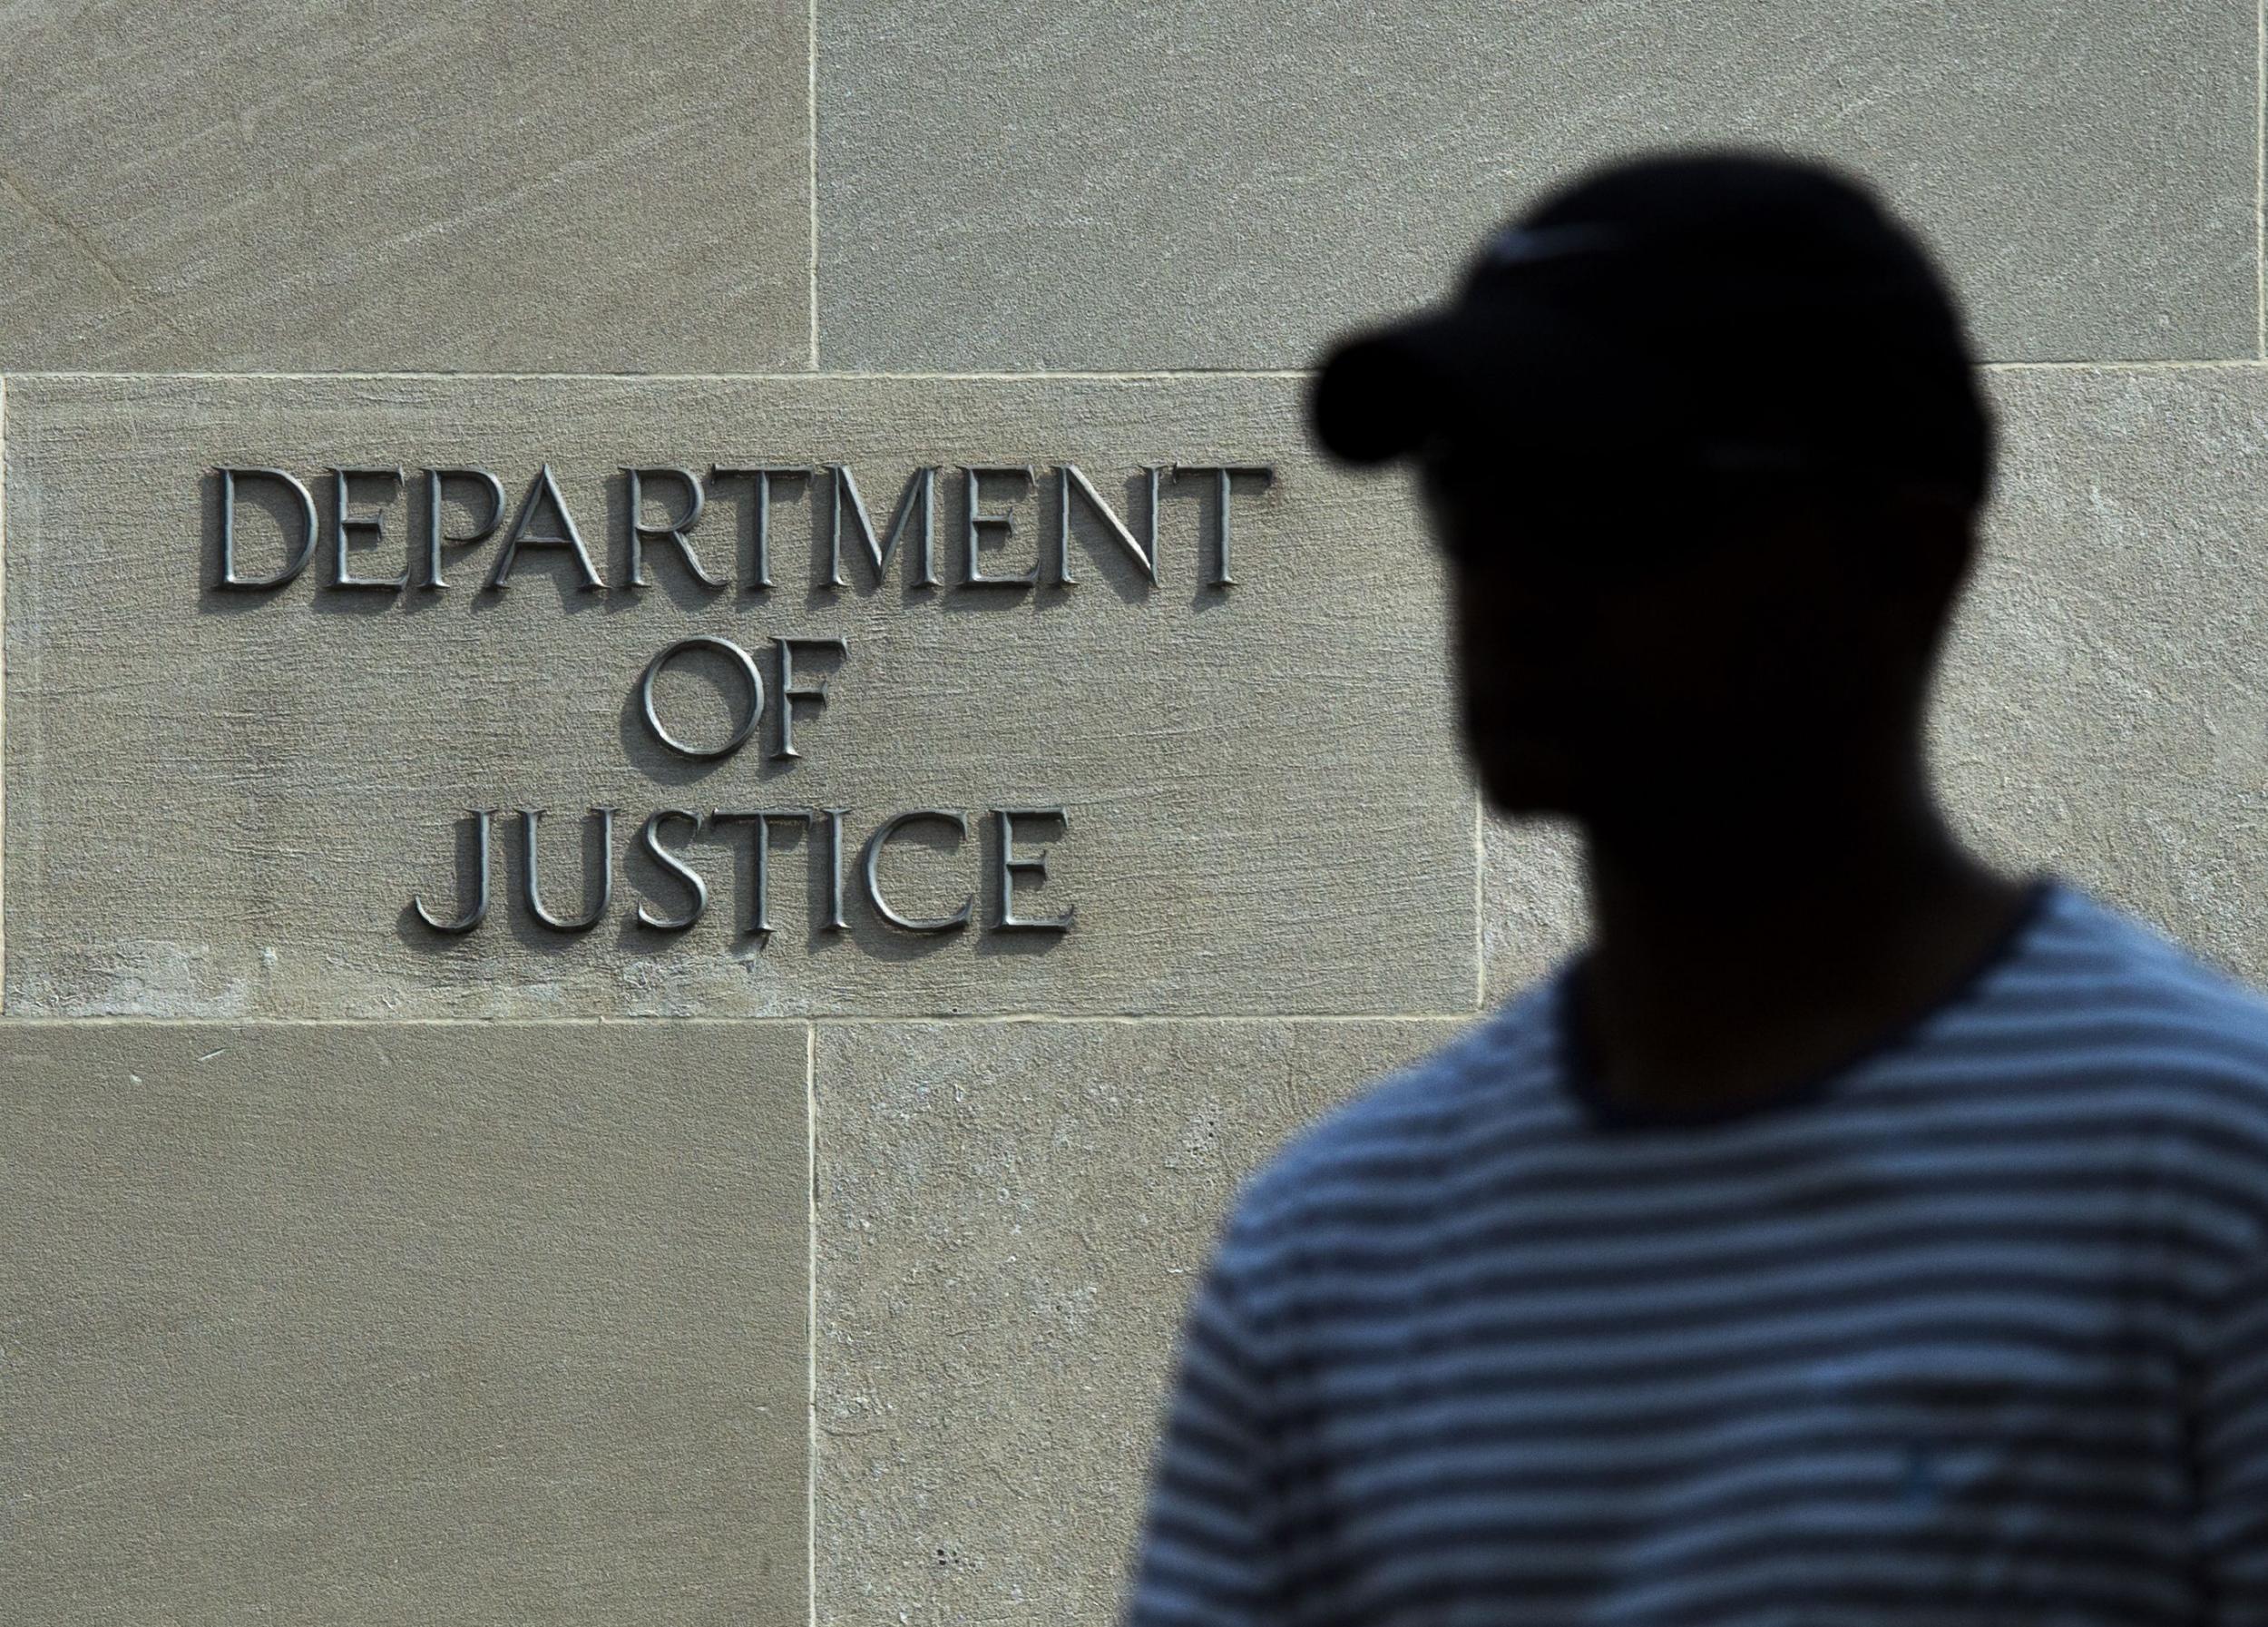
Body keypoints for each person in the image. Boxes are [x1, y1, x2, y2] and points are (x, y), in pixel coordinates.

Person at [1120, 151, 2268, 1625]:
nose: (1512, 580)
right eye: (1473, 501)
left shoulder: (2209, 1172)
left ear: (1902, 558)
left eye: (1611, 499)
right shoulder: (1332, 1252)